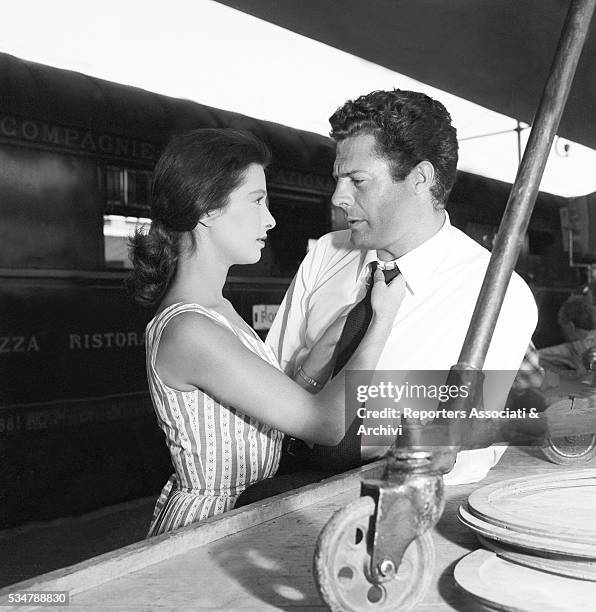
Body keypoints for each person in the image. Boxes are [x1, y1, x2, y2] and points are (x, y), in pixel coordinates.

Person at [127, 128, 405, 536]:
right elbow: (324, 424)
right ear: (205, 208)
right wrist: (380, 323)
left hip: (246, 513)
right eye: (257, 201)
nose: (271, 219)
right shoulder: (190, 329)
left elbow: (269, 409)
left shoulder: (217, 310)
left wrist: (324, 348)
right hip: (209, 528)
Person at [267, 89, 538, 485]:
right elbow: (272, 379)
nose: (339, 198)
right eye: (338, 180)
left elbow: (469, 449)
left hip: (400, 498)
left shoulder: (497, 294)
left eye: (357, 181)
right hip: (279, 489)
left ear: (420, 179)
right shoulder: (327, 253)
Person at [538, 294, 596, 378]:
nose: (562, 331)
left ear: (570, 326)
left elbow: (536, 357)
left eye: (562, 326)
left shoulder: (579, 346)